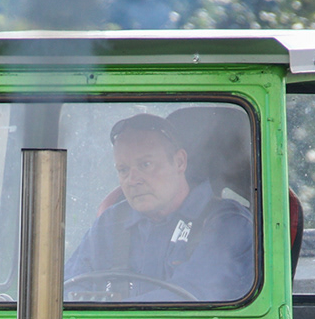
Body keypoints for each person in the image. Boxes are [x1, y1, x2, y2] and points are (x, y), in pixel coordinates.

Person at [65, 113, 254, 301]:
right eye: (123, 170)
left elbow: (191, 300)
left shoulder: (227, 225)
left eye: (145, 164)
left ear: (180, 162)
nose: (132, 180)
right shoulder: (110, 224)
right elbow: (66, 291)